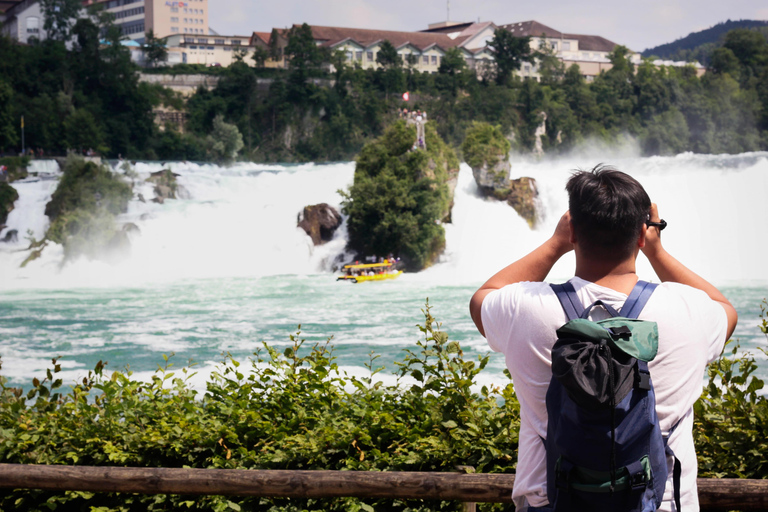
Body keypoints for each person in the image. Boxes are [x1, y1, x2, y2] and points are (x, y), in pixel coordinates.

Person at [469, 165, 737, 512]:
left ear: (573, 230)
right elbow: (725, 309)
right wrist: (657, 251)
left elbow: (483, 297)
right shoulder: (689, 310)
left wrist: (555, 244)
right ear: (642, 234)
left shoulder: (525, 308)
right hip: (659, 504)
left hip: (550, 503)